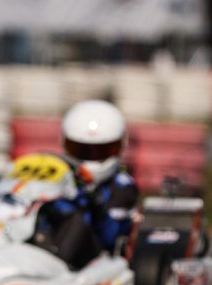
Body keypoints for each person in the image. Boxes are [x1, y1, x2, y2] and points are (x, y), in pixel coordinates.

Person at [38, 100, 139, 269]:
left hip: (93, 259)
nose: (91, 157)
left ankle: (49, 270)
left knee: (76, 220)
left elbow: (110, 237)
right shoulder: (58, 178)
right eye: (82, 150)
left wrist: (94, 202)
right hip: (48, 246)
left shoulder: (122, 186)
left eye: (101, 150)